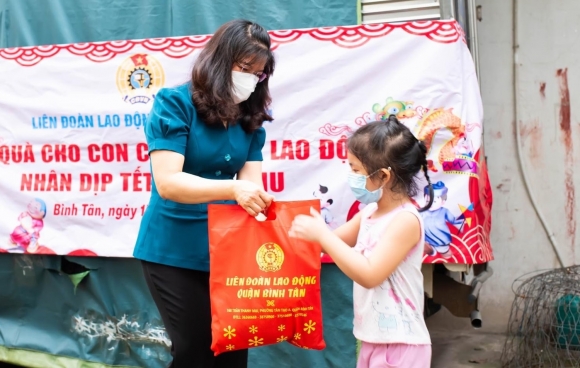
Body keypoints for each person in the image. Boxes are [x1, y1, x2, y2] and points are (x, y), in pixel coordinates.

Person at [133, 19, 275, 368]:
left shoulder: (250, 118)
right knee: (194, 351)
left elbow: (251, 186)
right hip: (171, 249)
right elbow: (168, 183)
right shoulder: (174, 103)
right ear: (218, 61)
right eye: (244, 67)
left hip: (228, 250)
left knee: (233, 348)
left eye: (257, 73)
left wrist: (264, 205)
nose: (250, 78)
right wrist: (233, 188)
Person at [289, 115, 434, 368]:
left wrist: (321, 234)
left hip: (401, 344)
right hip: (371, 338)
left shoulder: (405, 221)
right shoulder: (368, 213)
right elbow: (330, 243)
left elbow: (369, 274)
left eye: (356, 169)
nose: (350, 174)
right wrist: (301, 229)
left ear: (384, 176)